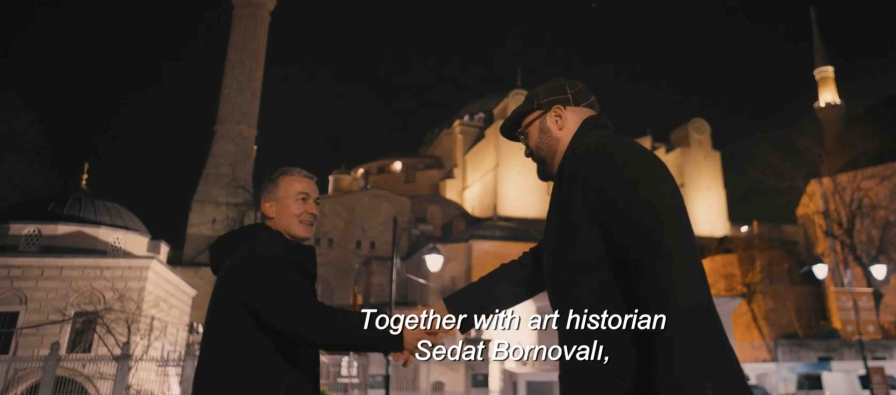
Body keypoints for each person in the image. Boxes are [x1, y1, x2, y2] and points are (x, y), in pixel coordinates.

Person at [423, 78, 750, 394]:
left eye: (525, 134)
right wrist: (446, 314)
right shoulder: (608, 159)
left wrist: (443, 314)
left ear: (557, 117)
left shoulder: (593, 161)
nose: (525, 150)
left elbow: (539, 267)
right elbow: (546, 263)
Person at [191, 167, 426, 394]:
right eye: (302, 200)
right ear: (269, 207)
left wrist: (391, 338)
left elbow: (301, 329)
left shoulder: (265, 254)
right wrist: (395, 333)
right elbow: (313, 322)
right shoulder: (259, 256)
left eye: (316, 202)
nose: (313, 210)